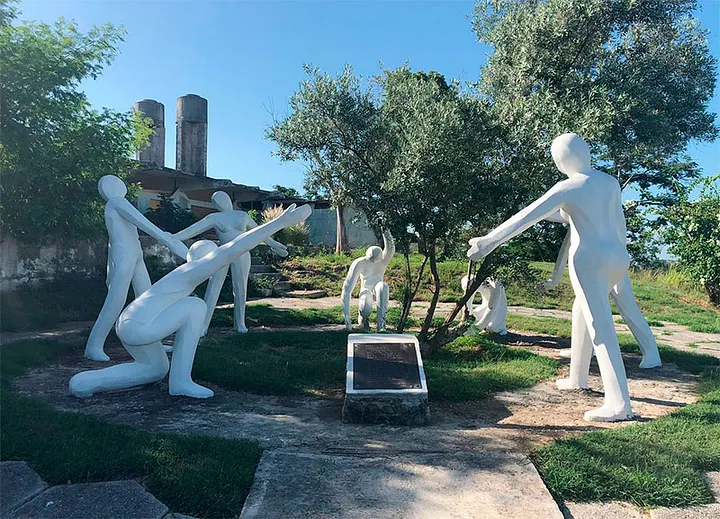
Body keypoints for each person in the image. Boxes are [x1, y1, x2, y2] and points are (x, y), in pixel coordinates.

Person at [467, 133, 635, 422]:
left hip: (589, 260)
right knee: (582, 310)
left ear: (560, 161)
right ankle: (577, 378)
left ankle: (619, 403)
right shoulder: (609, 182)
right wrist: (624, 254)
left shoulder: (568, 186)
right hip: (617, 256)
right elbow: (618, 221)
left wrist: (487, 242)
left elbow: (526, 217)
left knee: (600, 326)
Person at [69, 203, 312, 399]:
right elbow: (232, 249)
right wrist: (280, 222)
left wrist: (171, 237)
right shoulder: (194, 270)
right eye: (212, 255)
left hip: (131, 323)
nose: (216, 261)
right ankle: (181, 382)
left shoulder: (185, 269)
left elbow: (181, 244)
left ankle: (86, 382)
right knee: (196, 307)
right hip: (138, 326)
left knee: (155, 369)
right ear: (206, 258)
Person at [84, 175, 188, 362]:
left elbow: (112, 243)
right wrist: (166, 239)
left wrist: (110, 270)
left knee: (147, 297)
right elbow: (141, 222)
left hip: (134, 253)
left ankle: (151, 342)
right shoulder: (116, 202)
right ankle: (94, 345)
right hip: (125, 254)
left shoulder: (115, 205)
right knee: (116, 300)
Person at [541, 225, 662, 369]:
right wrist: (554, 279)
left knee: (626, 307)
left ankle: (651, 353)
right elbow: (568, 243)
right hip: (605, 263)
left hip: (609, 264)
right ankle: (584, 350)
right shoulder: (583, 218)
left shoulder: (602, 213)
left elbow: (620, 233)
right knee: (585, 309)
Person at [173, 191, 288, 335]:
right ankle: (203, 325)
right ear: (215, 205)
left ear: (228, 199)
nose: (221, 202)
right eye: (217, 201)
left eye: (223, 198)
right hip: (222, 254)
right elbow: (192, 230)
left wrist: (273, 244)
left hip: (241, 253)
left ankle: (240, 323)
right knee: (213, 288)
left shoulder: (242, 216)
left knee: (240, 289)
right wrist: (173, 237)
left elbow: (259, 231)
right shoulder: (214, 217)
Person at [341, 231, 394, 331]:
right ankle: (363, 318)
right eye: (370, 260)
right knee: (365, 310)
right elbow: (347, 289)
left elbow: (390, 247)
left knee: (383, 287)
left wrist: (384, 227)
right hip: (366, 290)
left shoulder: (383, 259)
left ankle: (381, 325)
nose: (373, 262)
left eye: (375, 260)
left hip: (377, 288)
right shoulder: (360, 263)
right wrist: (347, 321)